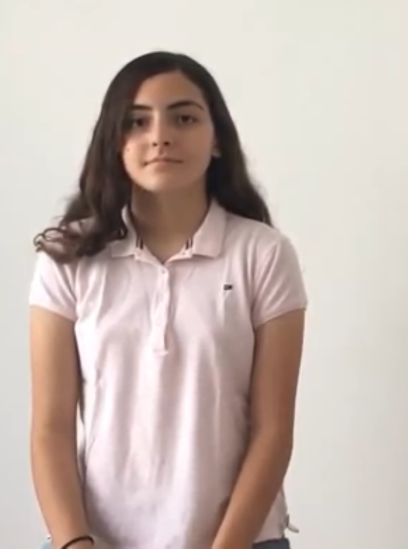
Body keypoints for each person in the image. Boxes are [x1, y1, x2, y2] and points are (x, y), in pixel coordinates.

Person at [27, 51, 308, 549]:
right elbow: (50, 427)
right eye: (137, 121)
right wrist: (75, 544)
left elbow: (272, 430)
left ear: (217, 138)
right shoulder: (68, 258)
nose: (160, 136)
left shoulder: (263, 254)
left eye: (184, 118)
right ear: (115, 140)